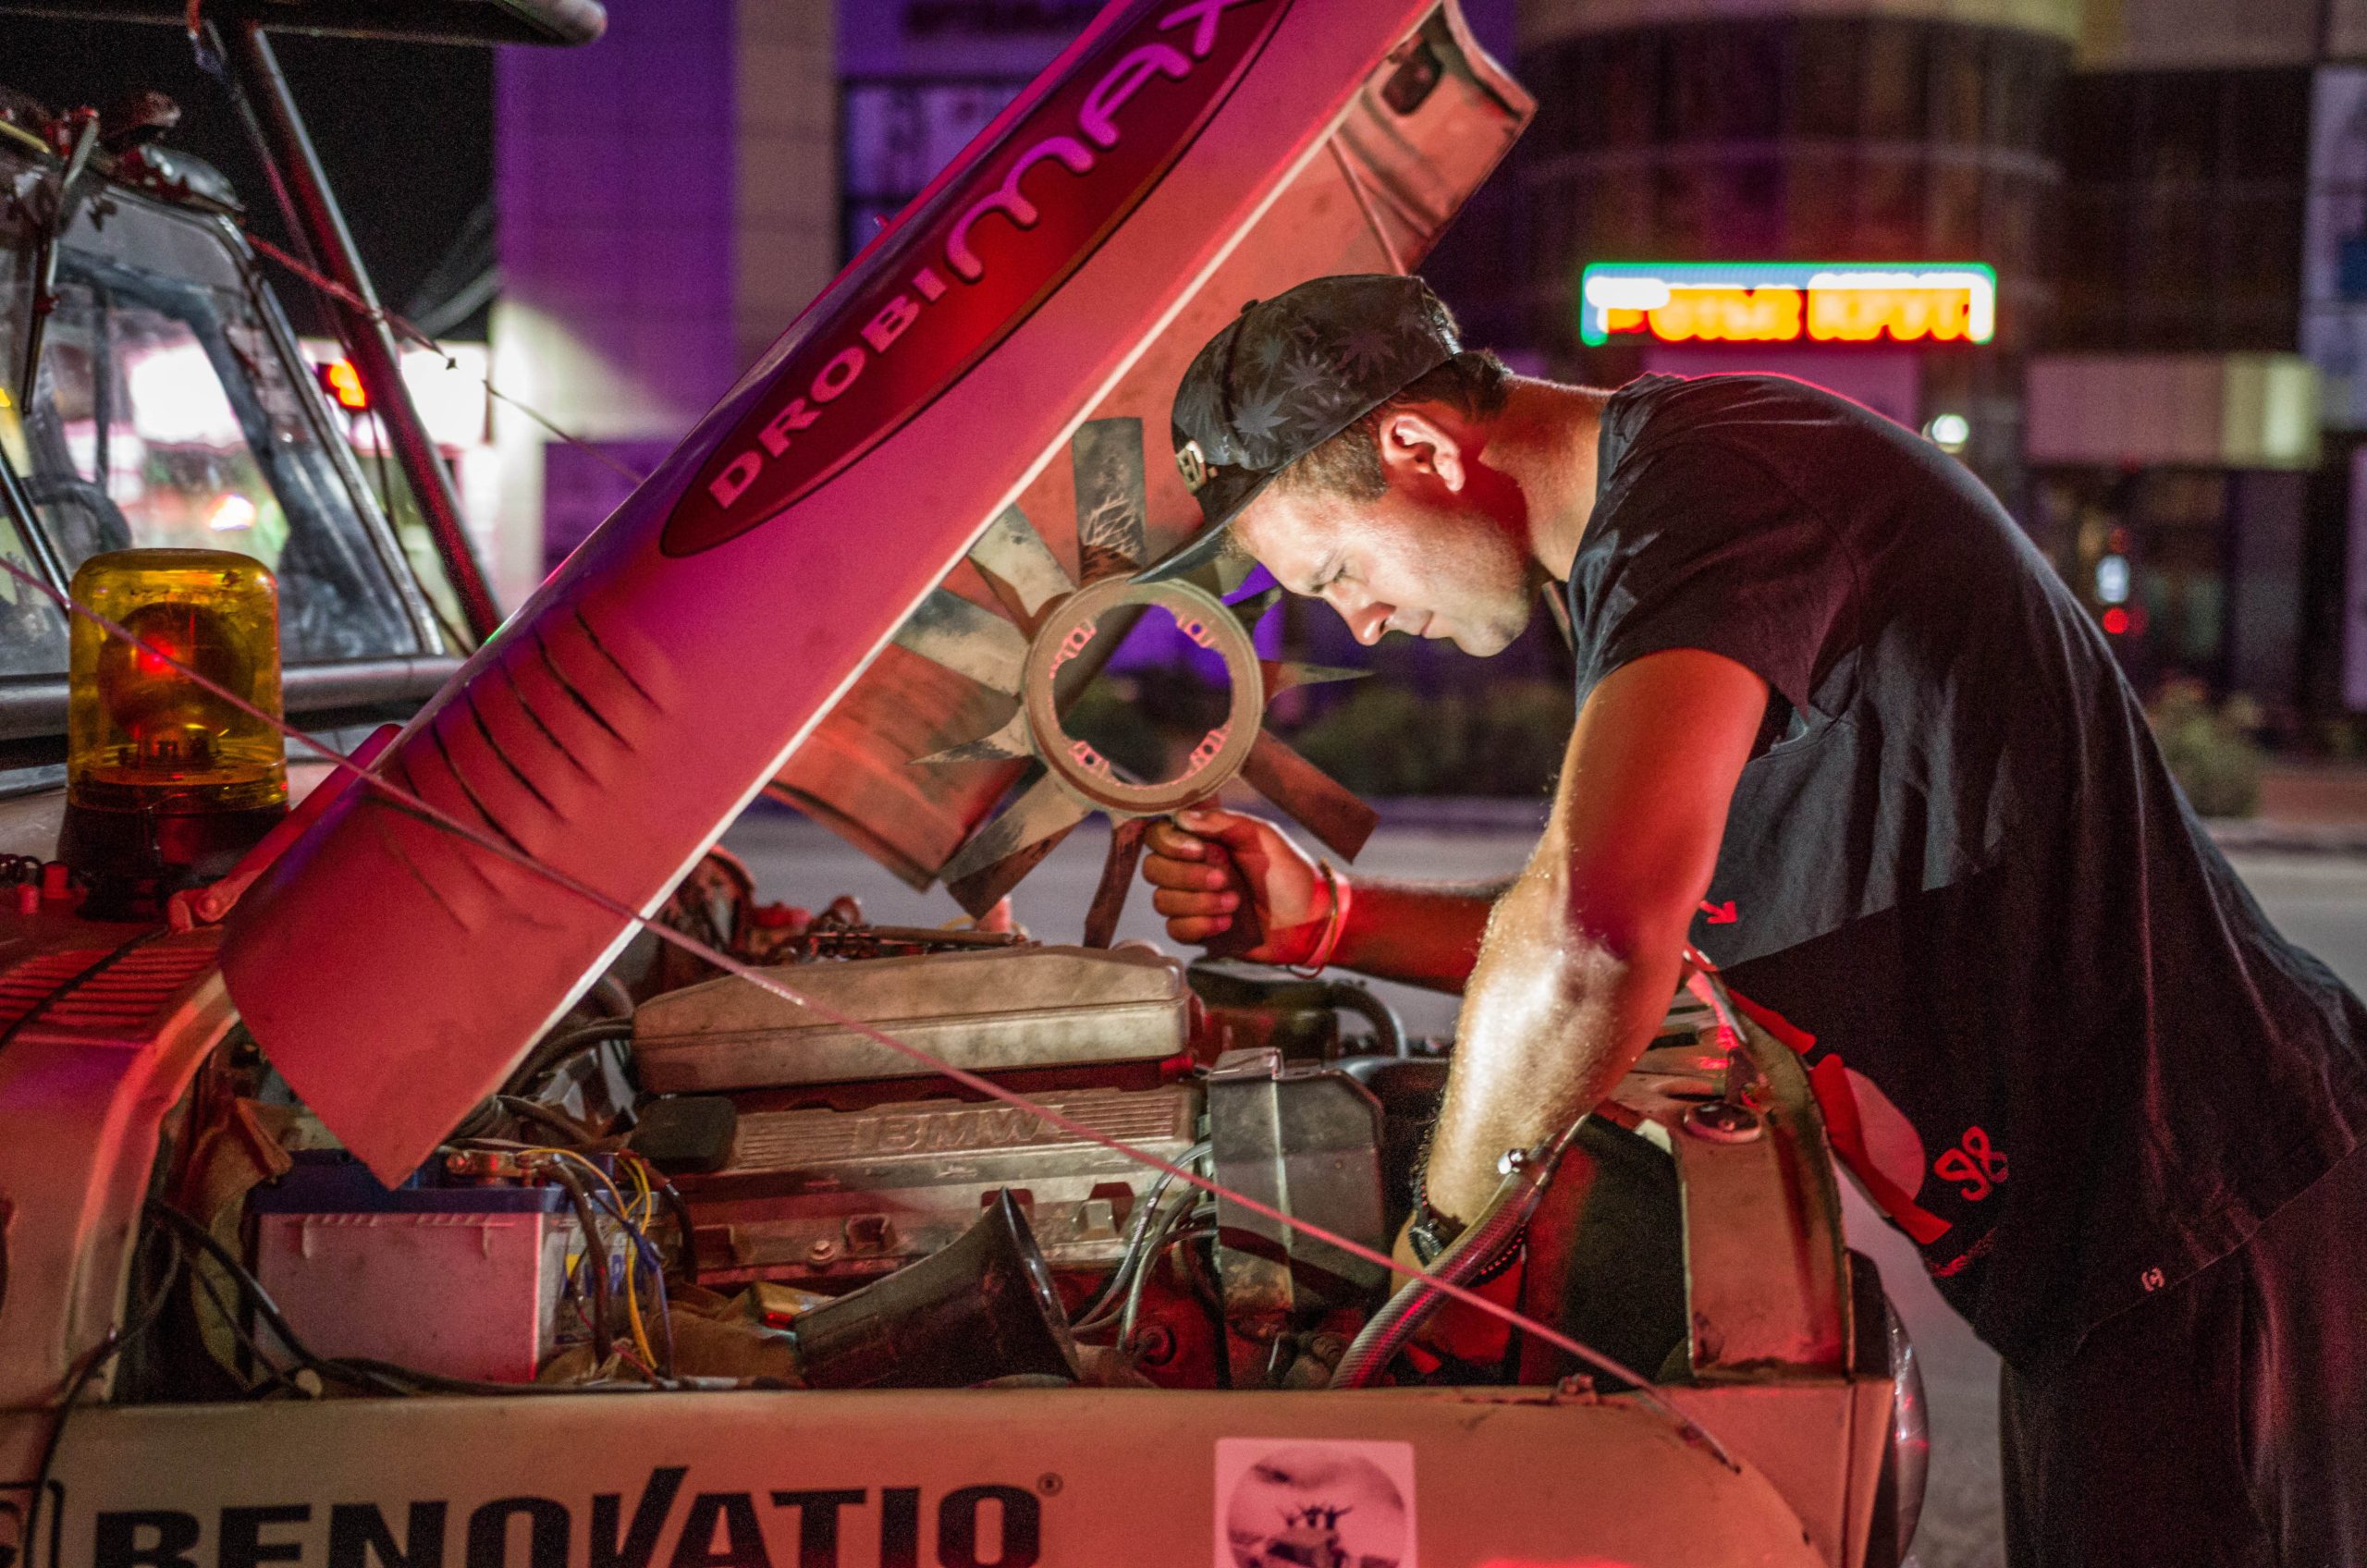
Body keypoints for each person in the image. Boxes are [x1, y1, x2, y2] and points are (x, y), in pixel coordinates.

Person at [1136, 274, 2367, 1566]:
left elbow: (1592, 943)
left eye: (1337, 570)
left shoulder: (1718, 490)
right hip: (2108, 1259)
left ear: (1419, 447)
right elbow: (1652, 929)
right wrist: (1328, 920)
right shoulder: (1653, 548)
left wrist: (1434, 1270)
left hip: (2211, 1217)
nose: (1365, 620)